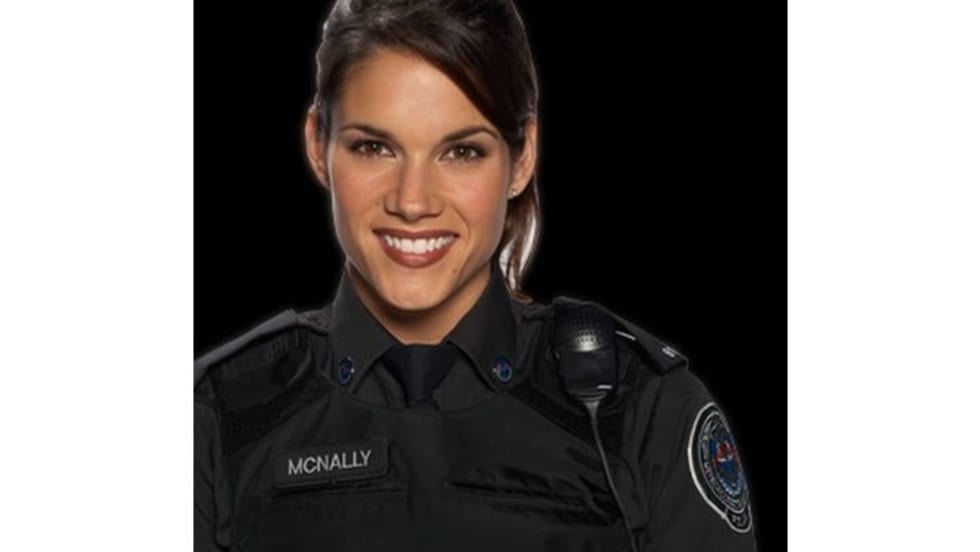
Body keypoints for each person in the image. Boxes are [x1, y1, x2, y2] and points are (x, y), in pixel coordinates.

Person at [194, 0, 759, 550]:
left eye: (461, 152)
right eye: (374, 147)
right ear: (318, 144)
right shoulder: (216, 418)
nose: (412, 202)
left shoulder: (640, 409)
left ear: (523, 157)